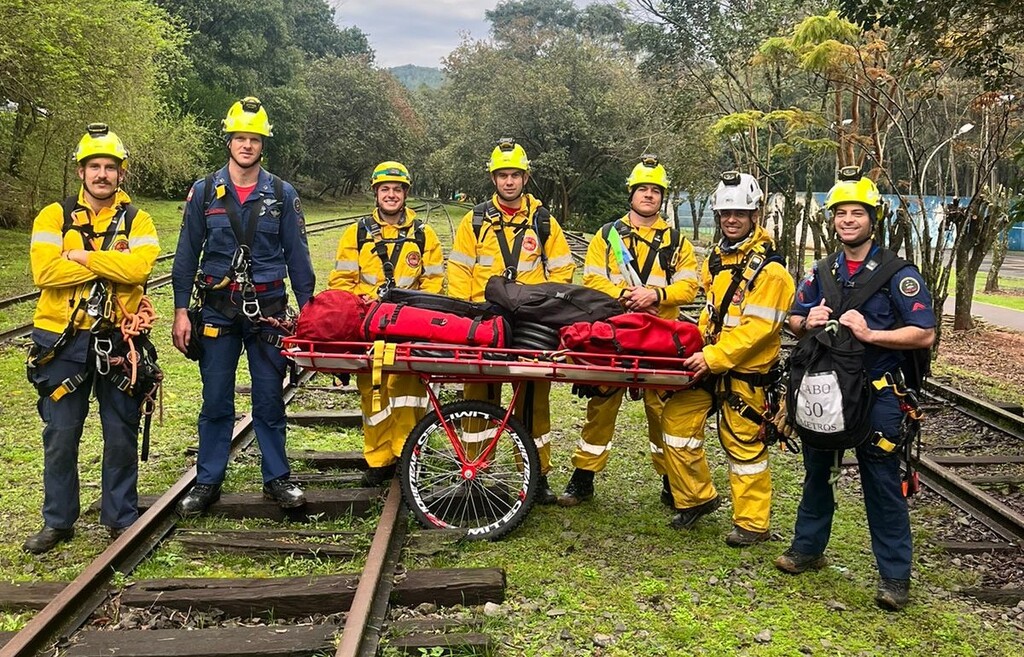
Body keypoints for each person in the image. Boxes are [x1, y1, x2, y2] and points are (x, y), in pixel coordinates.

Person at [776, 171, 935, 611]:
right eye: (841, 213)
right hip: (825, 390)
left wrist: (871, 334)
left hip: (878, 395)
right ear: (832, 221)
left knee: (881, 480)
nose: (848, 220)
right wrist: (804, 322)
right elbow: (792, 317)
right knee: (817, 470)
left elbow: (923, 334)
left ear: (873, 218)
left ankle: (894, 577)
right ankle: (807, 548)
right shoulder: (821, 272)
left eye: (857, 213)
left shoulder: (897, 274)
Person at [172, 97, 315, 517]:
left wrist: (308, 315)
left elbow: (299, 258)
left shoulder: (283, 195)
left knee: (269, 399)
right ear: (229, 141)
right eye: (240, 138)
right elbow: (186, 255)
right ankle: (207, 481)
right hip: (217, 310)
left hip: (268, 312)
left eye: (254, 139)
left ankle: (277, 478)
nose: (247, 145)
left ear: (263, 144)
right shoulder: (204, 192)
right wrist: (182, 311)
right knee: (216, 399)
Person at [24, 123, 160, 553]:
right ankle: (58, 520)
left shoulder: (139, 219)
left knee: (120, 430)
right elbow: (44, 273)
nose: (102, 174)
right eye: (94, 166)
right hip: (60, 343)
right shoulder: (53, 215)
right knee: (61, 433)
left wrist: (80, 256)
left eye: (110, 167)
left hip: (118, 341)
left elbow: (139, 270)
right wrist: (109, 263)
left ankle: (120, 516)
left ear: (122, 173)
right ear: (81, 172)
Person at [660, 171, 795, 545]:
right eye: (724, 213)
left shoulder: (772, 272)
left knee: (744, 447)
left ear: (755, 215)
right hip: (711, 364)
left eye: (738, 213)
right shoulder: (717, 261)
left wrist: (713, 357)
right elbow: (710, 311)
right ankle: (696, 498)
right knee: (675, 421)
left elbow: (758, 331)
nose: (731, 219)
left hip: (745, 375)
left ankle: (753, 525)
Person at [557, 155, 699, 507]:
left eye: (655, 190)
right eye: (642, 189)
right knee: (601, 403)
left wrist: (656, 294)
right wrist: (624, 297)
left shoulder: (675, 240)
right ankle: (583, 477)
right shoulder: (608, 236)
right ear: (631, 194)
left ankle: (671, 481)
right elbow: (591, 277)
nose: (648, 195)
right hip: (616, 332)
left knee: (660, 408)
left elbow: (690, 284)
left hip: (660, 335)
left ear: (662, 197)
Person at [447, 139, 576, 503]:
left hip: (531, 325)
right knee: (478, 393)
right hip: (485, 321)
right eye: (502, 175)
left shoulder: (544, 222)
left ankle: (537, 476)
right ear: (493, 178)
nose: (508, 182)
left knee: (533, 399)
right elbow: (458, 270)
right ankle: (473, 470)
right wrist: (467, 315)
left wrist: (547, 312)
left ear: (525, 177)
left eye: (514, 175)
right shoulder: (475, 221)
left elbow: (563, 272)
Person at [327, 161, 443, 485]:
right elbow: (341, 280)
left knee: (408, 390)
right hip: (369, 324)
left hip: (410, 323)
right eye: (385, 189)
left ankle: (408, 455)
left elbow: (434, 281)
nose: (391, 195)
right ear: (376, 193)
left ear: (406, 193)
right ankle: (378, 460)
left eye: (397, 189)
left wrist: (417, 312)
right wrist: (360, 310)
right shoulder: (357, 233)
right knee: (373, 392)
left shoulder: (423, 234)